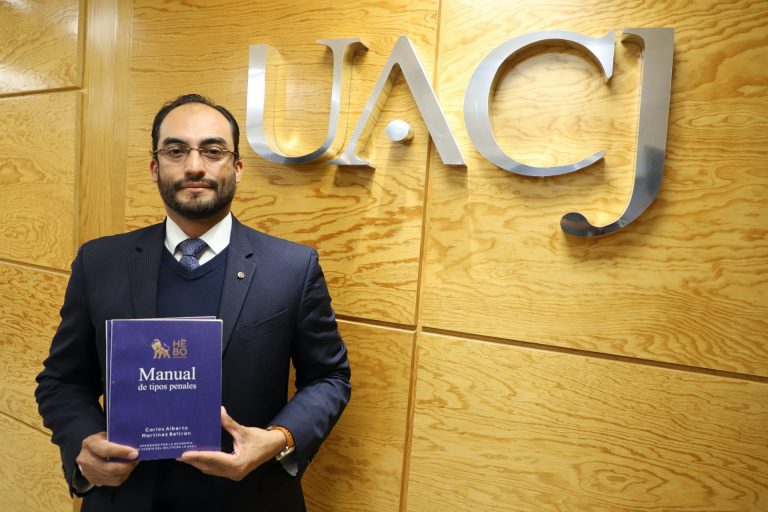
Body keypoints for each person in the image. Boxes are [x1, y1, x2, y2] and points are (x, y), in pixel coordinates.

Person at [35, 94, 351, 512]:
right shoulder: (99, 262)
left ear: (237, 168)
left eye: (213, 151)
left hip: (249, 499)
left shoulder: (292, 268)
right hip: (126, 499)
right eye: (176, 151)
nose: (195, 166)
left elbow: (330, 377)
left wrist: (279, 439)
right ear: (155, 168)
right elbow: (62, 380)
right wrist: (85, 443)